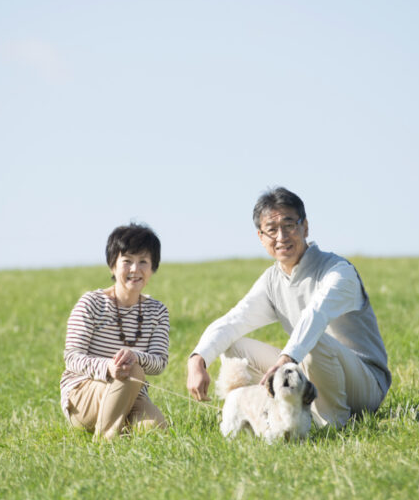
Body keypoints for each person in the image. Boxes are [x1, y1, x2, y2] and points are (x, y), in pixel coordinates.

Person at [186, 187, 390, 429]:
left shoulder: (339, 271)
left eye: (289, 225)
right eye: (271, 230)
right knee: (233, 348)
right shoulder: (272, 280)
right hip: (306, 371)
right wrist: (197, 360)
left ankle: (332, 424)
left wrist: (285, 359)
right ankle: (267, 419)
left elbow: (316, 315)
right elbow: (234, 321)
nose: (281, 236)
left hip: (364, 386)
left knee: (315, 337)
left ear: (305, 227)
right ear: (261, 237)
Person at [60, 223, 170, 439]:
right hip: (84, 395)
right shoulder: (91, 303)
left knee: (156, 429)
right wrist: (109, 368)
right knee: (134, 371)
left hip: (132, 395)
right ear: (112, 265)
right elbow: (71, 358)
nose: (135, 270)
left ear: (153, 268)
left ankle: (119, 431)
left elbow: (159, 363)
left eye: (143, 262)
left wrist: (135, 356)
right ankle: (104, 441)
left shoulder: (158, 311)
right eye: (127, 261)